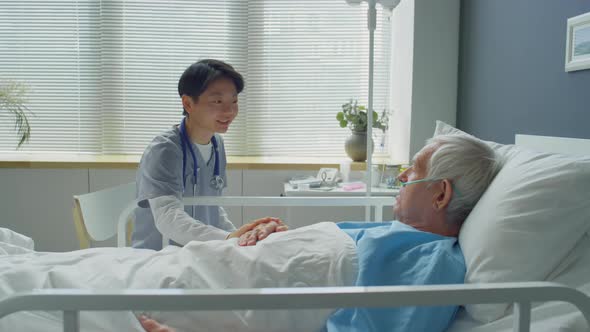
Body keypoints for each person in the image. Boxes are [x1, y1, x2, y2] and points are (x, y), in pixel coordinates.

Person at [135, 134, 501, 332]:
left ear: (440, 193)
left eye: (414, 169)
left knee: (87, 294)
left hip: (180, 294)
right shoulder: (397, 232)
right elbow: (325, 260)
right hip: (195, 266)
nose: (402, 176)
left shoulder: (433, 265)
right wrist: (278, 236)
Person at [133, 59, 287, 250]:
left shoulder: (216, 144)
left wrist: (242, 239)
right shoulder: (164, 150)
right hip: (162, 255)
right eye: (217, 101)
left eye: (234, 100)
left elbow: (213, 209)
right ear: (188, 103)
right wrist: (229, 238)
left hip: (200, 253)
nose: (229, 110)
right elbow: (168, 217)